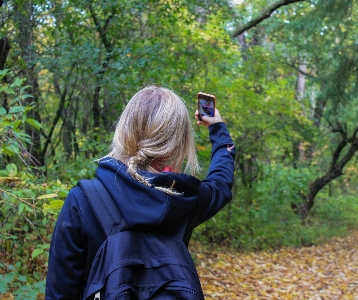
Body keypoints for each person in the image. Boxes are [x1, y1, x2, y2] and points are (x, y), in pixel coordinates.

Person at [45, 86, 236, 299]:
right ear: (177, 142)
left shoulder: (83, 200)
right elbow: (221, 181)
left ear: (125, 129)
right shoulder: (185, 199)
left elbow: (60, 291)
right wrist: (218, 129)